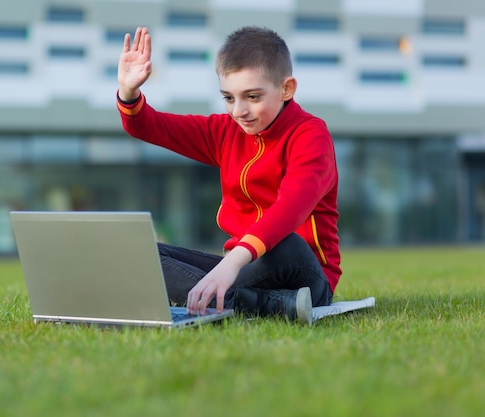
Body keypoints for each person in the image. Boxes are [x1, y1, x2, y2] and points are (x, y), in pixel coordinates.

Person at [116, 26, 341, 323]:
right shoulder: (225, 132)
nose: (239, 111)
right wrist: (129, 91)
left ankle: (243, 298)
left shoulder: (311, 135)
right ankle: (270, 305)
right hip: (244, 268)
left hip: (303, 271)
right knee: (138, 254)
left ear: (286, 88)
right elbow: (149, 126)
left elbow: (291, 208)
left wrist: (232, 262)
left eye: (252, 96)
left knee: (285, 242)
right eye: (229, 98)